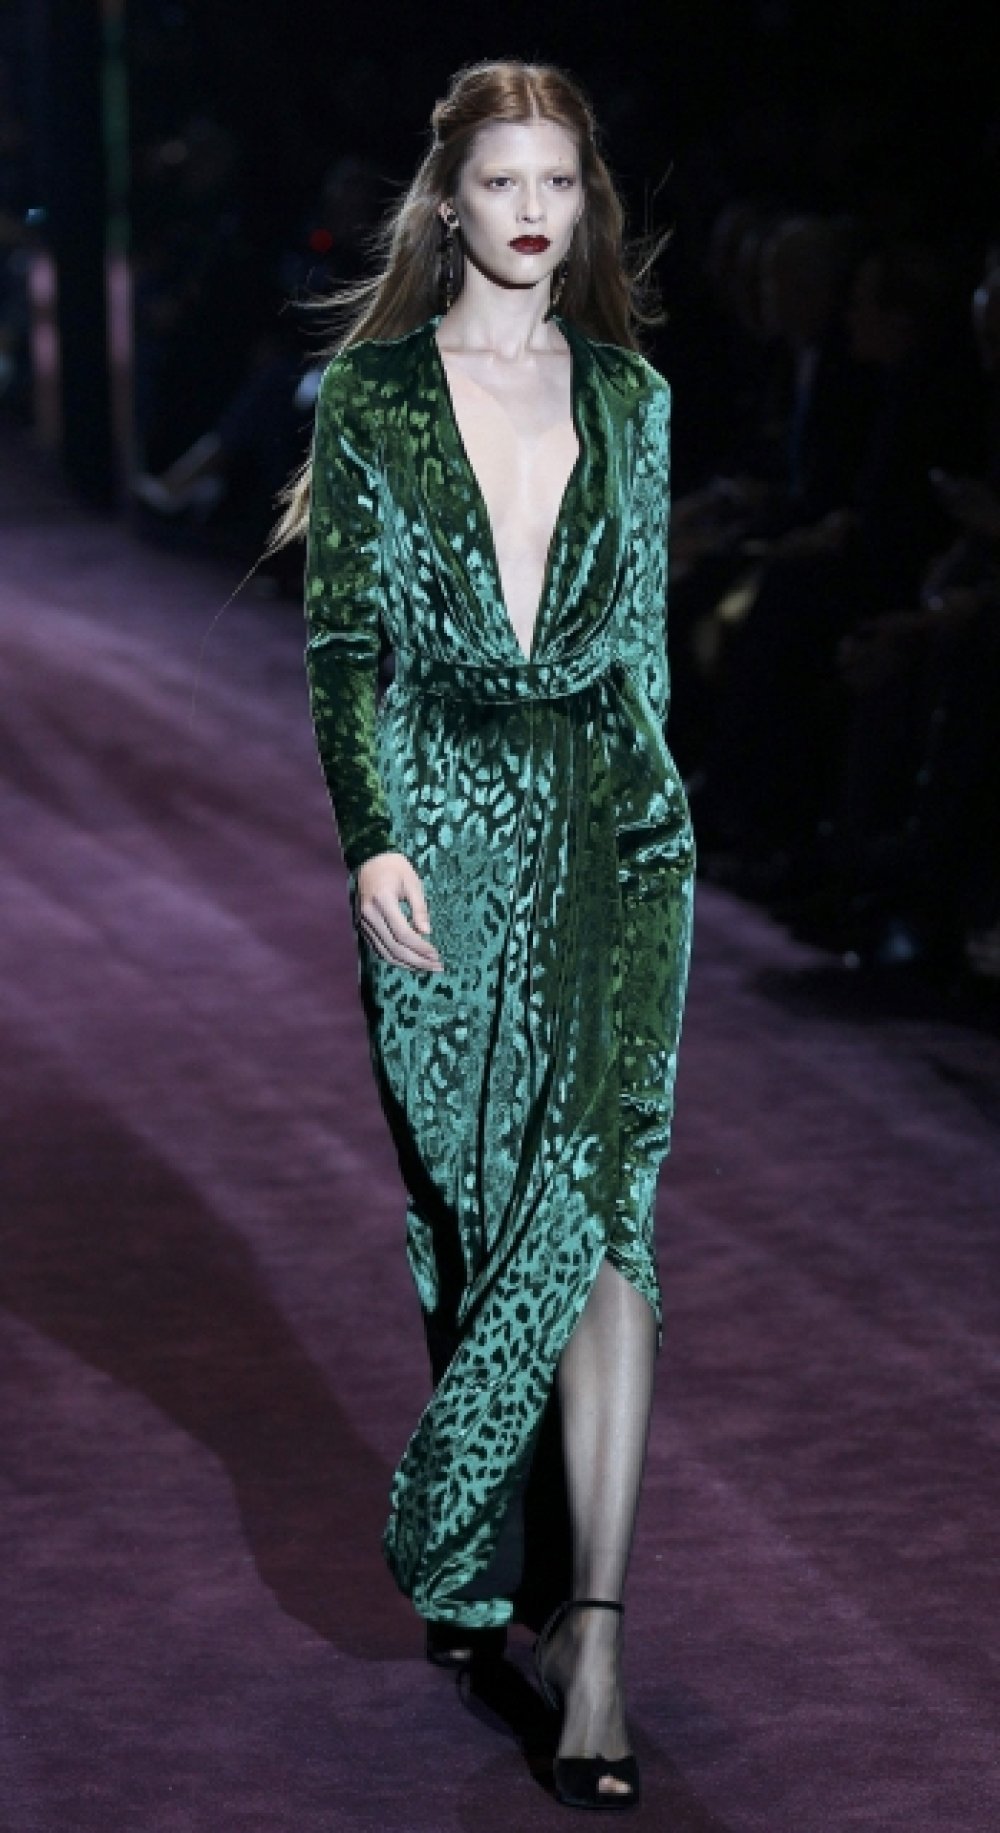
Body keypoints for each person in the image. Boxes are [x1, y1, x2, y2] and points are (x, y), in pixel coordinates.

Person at [268, 59, 696, 1811]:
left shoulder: (635, 396)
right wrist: (370, 838)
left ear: (587, 205)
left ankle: (594, 1634)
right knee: (475, 1219)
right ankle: (491, 1560)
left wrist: (663, 834)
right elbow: (341, 645)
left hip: (612, 831)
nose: (534, 211)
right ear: (447, 200)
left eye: (561, 183)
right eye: (504, 181)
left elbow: (644, 648)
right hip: (440, 832)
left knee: (597, 1202)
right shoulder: (373, 396)